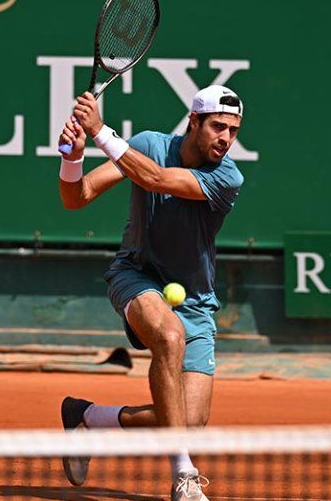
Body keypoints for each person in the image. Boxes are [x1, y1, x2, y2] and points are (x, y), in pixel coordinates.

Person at [57, 85, 245, 501]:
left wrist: (100, 132)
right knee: (168, 336)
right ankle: (184, 475)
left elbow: (157, 179)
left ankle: (87, 418)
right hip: (135, 276)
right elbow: (77, 196)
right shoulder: (147, 145)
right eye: (217, 126)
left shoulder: (227, 176)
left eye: (233, 130)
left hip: (195, 299)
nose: (225, 139)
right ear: (193, 121)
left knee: (187, 422)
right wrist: (72, 158)